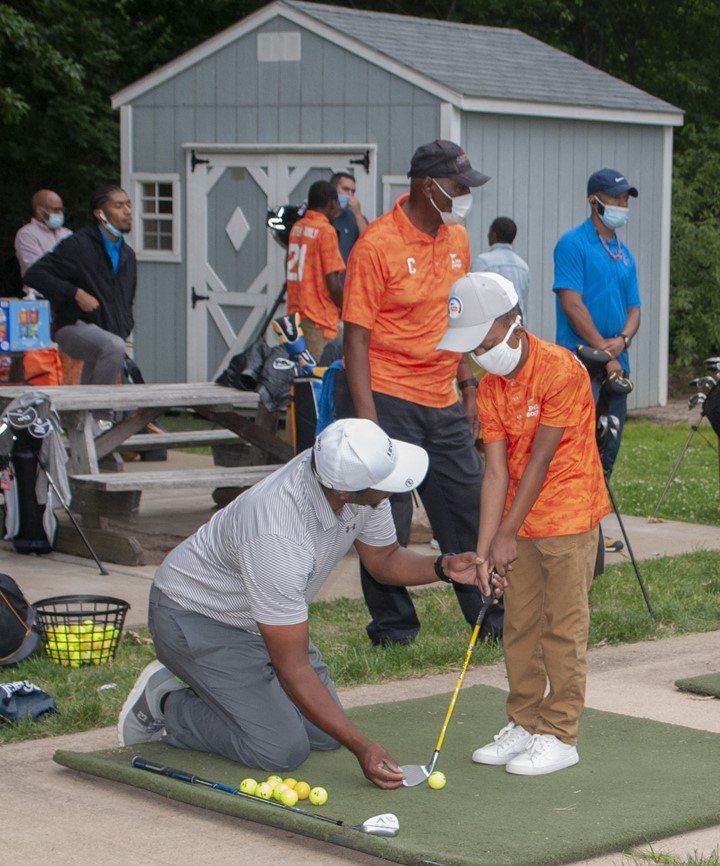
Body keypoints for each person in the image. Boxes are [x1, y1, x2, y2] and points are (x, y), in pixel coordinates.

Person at [118, 418, 483, 787]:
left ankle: (237, 692)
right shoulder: (277, 533)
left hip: (262, 618)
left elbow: (384, 559)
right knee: (279, 749)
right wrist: (362, 747)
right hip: (196, 618)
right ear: (345, 492)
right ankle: (166, 703)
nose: (393, 488)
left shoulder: (350, 483)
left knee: (324, 735)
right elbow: (292, 667)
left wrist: (444, 567)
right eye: (384, 482)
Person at [437, 272, 609, 776]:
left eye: (484, 341)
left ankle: (561, 733)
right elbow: (495, 471)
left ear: (513, 322)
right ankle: (526, 721)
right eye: (472, 348)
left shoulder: (562, 369)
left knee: (562, 627)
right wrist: (485, 548)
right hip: (520, 520)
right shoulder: (492, 387)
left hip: (568, 515)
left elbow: (539, 460)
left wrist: (505, 535)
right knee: (519, 625)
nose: (479, 354)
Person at [337, 139, 492, 647]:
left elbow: (459, 320)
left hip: (442, 396)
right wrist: (368, 424)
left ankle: (490, 617)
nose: (465, 195)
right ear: (429, 186)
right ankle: (394, 629)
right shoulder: (376, 245)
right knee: (387, 519)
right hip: (386, 396)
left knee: (468, 506)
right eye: (458, 186)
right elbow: (355, 340)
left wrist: (468, 386)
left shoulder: (457, 237)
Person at [553, 168, 641, 553]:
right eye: (616, 198)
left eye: (625, 199)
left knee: (608, 447)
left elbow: (635, 309)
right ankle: (572, 529)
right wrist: (604, 352)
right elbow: (572, 304)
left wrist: (622, 340)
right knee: (578, 446)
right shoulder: (573, 245)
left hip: (617, 363)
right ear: (595, 201)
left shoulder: (624, 254)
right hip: (581, 362)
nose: (622, 205)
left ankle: (594, 531)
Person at [24, 185, 135, 386]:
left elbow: (127, 301)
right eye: (119, 206)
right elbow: (34, 275)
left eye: (128, 204)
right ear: (100, 214)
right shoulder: (78, 245)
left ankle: (88, 407)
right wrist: (75, 293)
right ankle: (100, 406)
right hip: (73, 327)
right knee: (113, 347)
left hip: (108, 334)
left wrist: (125, 326)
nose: (127, 211)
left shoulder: (128, 255)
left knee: (110, 352)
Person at [285, 180, 346, 360]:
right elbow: (332, 282)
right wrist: (347, 308)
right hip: (318, 320)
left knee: (298, 370)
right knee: (319, 373)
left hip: (295, 316)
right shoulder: (325, 231)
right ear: (331, 204)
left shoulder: (297, 227)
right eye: (337, 204)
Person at [472, 217, 530, 318]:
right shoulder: (523, 267)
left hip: (492, 325)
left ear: (493, 235)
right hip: (517, 324)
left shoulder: (483, 262)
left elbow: (473, 295)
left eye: (489, 231)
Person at [14, 189, 72, 277]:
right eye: (55, 210)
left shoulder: (67, 233)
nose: (60, 213)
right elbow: (38, 269)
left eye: (61, 209)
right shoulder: (27, 234)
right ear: (40, 211)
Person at [331, 171, 368, 264]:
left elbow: (368, 242)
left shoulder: (355, 217)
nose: (350, 195)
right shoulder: (321, 214)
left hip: (347, 272)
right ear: (332, 190)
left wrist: (358, 214)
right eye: (346, 189)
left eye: (353, 192)